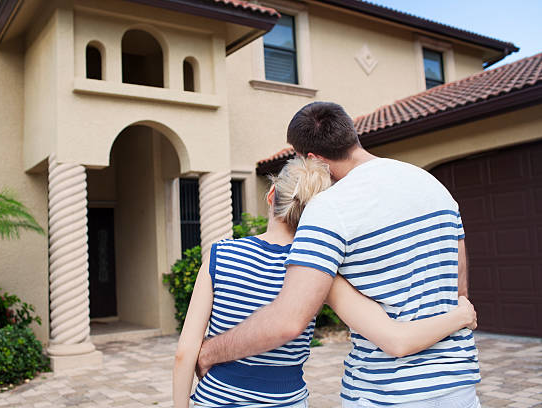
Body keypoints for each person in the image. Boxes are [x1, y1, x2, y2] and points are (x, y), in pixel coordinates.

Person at [195, 102, 481, 407]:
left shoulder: (329, 208)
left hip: (386, 393)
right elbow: (459, 291)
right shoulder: (432, 185)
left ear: (315, 158)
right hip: (459, 386)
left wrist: (210, 352)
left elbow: (288, 321)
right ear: (351, 134)